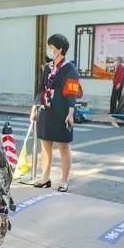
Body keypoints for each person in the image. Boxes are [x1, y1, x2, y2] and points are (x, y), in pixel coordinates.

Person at [30, 34, 82, 192]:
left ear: (60, 49)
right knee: (45, 145)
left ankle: (64, 181)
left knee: (63, 147)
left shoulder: (69, 68)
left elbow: (72, 92)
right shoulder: (47, 67)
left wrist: (71, 113)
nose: (50, 49)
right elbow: (40, 89)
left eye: (52, 46)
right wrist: (34, 108)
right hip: (46, 110)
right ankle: (45, 178)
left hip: (62, 111)